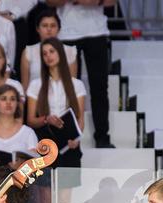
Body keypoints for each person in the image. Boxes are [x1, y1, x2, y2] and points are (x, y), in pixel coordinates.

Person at [26, 37, 85, 203]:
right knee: (46, 197)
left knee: (65, 198)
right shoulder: (36, 85)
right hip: (47, 142)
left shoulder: (76, 84)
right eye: (45, 53)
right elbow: (30, 119)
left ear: (60, 54)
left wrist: (76, 140)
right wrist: (46, 118)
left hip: (69, 146)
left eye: (52, 51)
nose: (49, 56)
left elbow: (80, 121)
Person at [46, 0, 116, 148]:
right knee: (68, 88)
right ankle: (69, 136)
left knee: (99, 87)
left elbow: (112, 2)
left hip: (97, 32)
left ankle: (102, 136)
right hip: (67, 33)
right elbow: (50, 2)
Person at [20, 7, 76, 91]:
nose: (49, 29)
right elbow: (25, 87)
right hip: (35, 101)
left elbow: (72, 87)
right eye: (45, 25)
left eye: (53, 26)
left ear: (59, 29)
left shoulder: (70, 52)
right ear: (38, 29)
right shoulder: (28, 52)